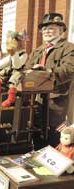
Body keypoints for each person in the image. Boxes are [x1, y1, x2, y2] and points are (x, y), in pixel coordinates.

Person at [25, 13, 74, 147]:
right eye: (44, 28)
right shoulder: (38, 50)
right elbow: (27, 69)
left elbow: (68, 70)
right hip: (36, 103)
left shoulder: (69, 48)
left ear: (61, 30)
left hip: (58, 105)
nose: (46, 31)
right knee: (37, 139)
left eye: (51, 28)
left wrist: (46, 72)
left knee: (56, 140)